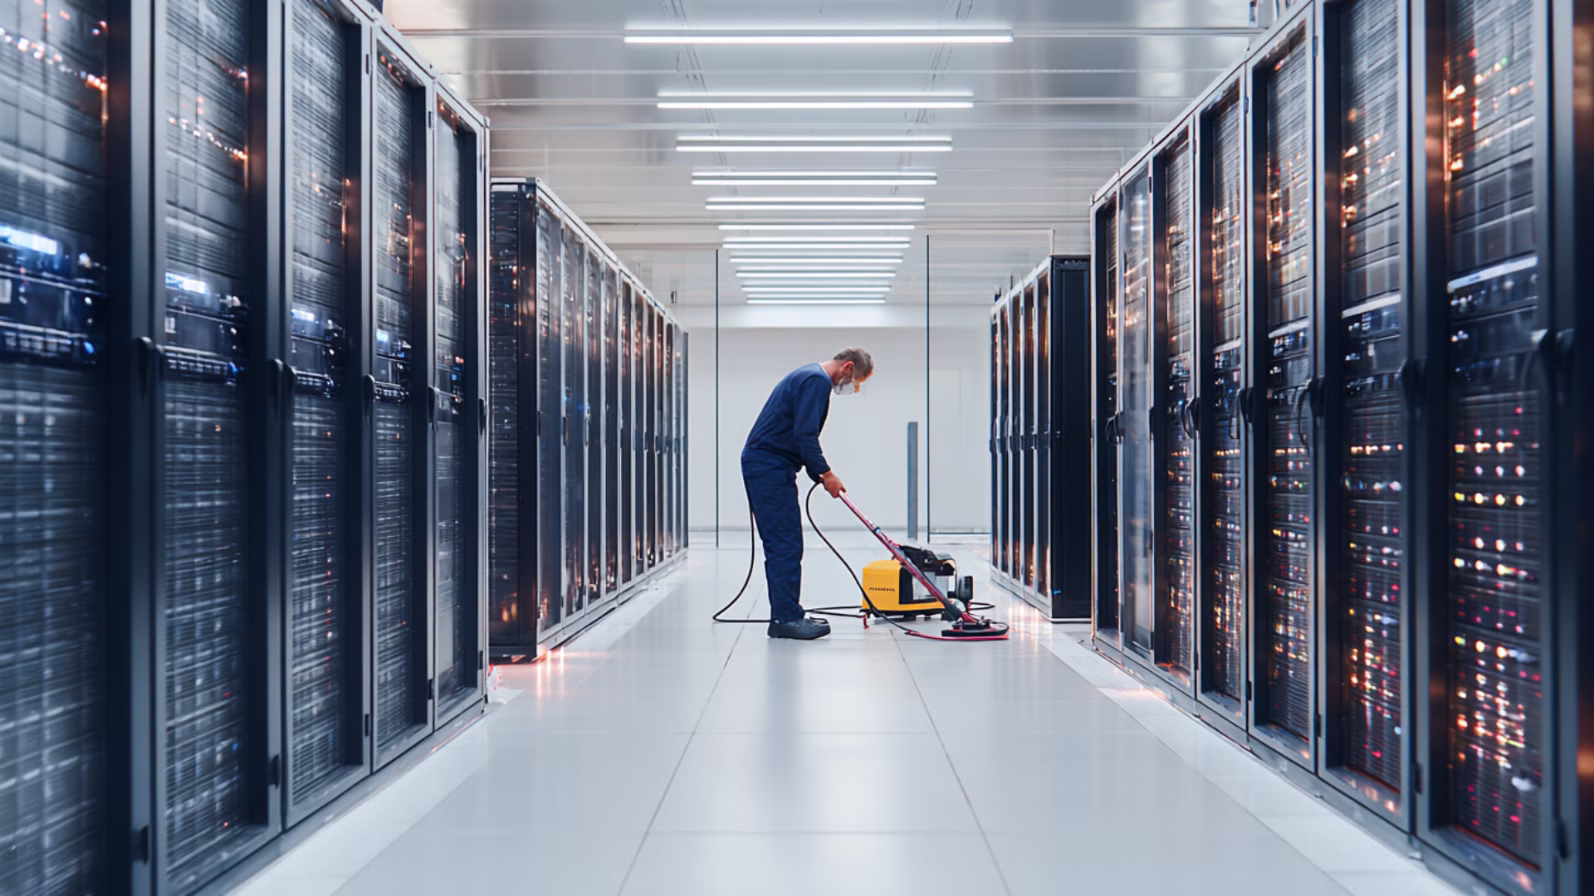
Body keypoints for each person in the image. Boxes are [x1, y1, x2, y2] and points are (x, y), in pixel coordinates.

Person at [742, 348, 874, 639]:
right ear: (847, 366)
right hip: (767, 466)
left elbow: (798, 435)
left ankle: (789, 614)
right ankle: (785, 620)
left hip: (771, 466)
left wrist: (820, 474)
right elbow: (805, 435)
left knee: (786, 541)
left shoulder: (808, 375)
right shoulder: (816, 381)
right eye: (854, 382)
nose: (851, 388)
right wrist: (826, 474)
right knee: (784, 542)